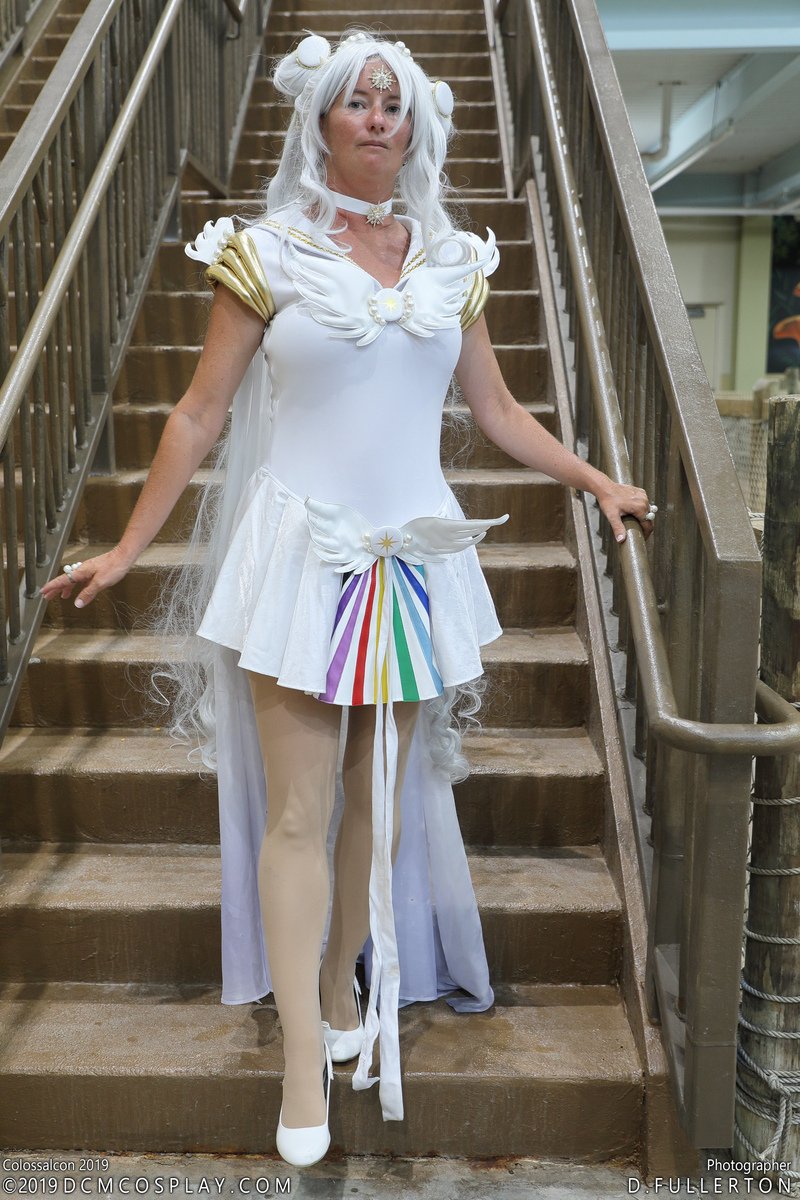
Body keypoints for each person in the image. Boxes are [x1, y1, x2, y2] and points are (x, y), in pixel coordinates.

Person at [41, 28, 656, 1168]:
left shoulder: (451, 259)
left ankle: (338, 983)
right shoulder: (266, 253)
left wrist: (596, 481)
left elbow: (498, 411)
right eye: (358, 101)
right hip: (302, 558)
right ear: (320, 120)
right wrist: (127, 548)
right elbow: (198, 414)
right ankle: (299, 1065)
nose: (378, 118)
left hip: (413, 557)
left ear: (413, 127)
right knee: (299, 810)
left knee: (377, 798)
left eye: (394, 103)